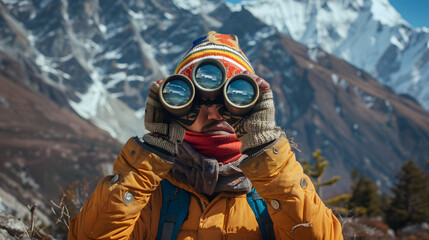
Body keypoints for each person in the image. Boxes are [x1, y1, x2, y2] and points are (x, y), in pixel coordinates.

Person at [68, 31, 343, 239]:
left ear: (253, 106)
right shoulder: (148, 192)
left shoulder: (273, 191)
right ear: (176, 106)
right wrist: (154, 154)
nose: (214, 114)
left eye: (233, 98)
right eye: (196, 101)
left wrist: (266, 151)